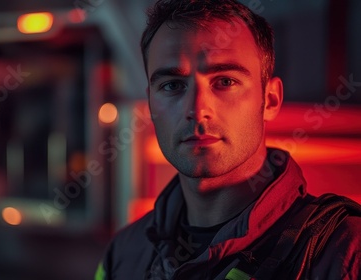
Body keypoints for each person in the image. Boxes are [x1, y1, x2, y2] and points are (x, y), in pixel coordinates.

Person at [95, 0, 361, 279]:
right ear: (150, 104)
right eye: (172, 85)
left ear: (270, 100)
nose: (197, 110)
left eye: (225, 81)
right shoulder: (123, 254)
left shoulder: (342, 251)